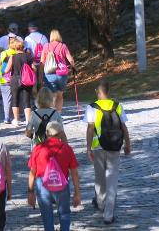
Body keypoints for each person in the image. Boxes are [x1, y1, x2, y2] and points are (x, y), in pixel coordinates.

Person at [84, 81, 131, 224]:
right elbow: (124, 127)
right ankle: (108, 215)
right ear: (108, 92)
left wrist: (88, 148)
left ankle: (101, 203)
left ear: (97, 92)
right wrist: (128, 144)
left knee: (99, 178)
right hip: (115, 147)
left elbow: (90, 129)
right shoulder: (117, 106)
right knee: (112, 179)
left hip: (98, 147)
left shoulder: (91, 108)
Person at [28, 121, 81, 231]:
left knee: (47, 217)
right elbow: (74, 173)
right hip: (61, 185)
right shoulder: (67, 149)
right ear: (61, 133)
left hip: (42, 186)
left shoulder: (37, 149)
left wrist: (31, 192)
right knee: (64, 213)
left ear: (46, 133)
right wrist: (77, 193)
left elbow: (32, 172)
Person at [40, 29, 76, 112]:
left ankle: (51, 113)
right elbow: (70, 58)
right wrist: (73, 66)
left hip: (49, 73)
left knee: (52, 95)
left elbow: (42, 61)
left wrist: (40, 74)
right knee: (60, 95)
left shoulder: (46, 46)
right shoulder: (63, 46)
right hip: (62, 74)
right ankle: (58, 114)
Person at [4, 40, 34, 126]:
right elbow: (34, 68)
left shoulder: (12, 57)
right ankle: (28, 121)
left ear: (14, 47)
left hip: (15, 79)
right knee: (26, 100)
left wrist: (3, 72)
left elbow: (7, 70)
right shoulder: (28, 56)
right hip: (26, 80)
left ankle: (16, 120)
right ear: (23, 47)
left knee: (15, 99)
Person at [0, 38, 17, 124]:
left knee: (6, 98)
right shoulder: (17, 53)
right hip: (15, 78)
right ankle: (17, 116)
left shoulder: (3, 53)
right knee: (15, 97)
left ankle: (7, 117)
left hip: (3, 78)